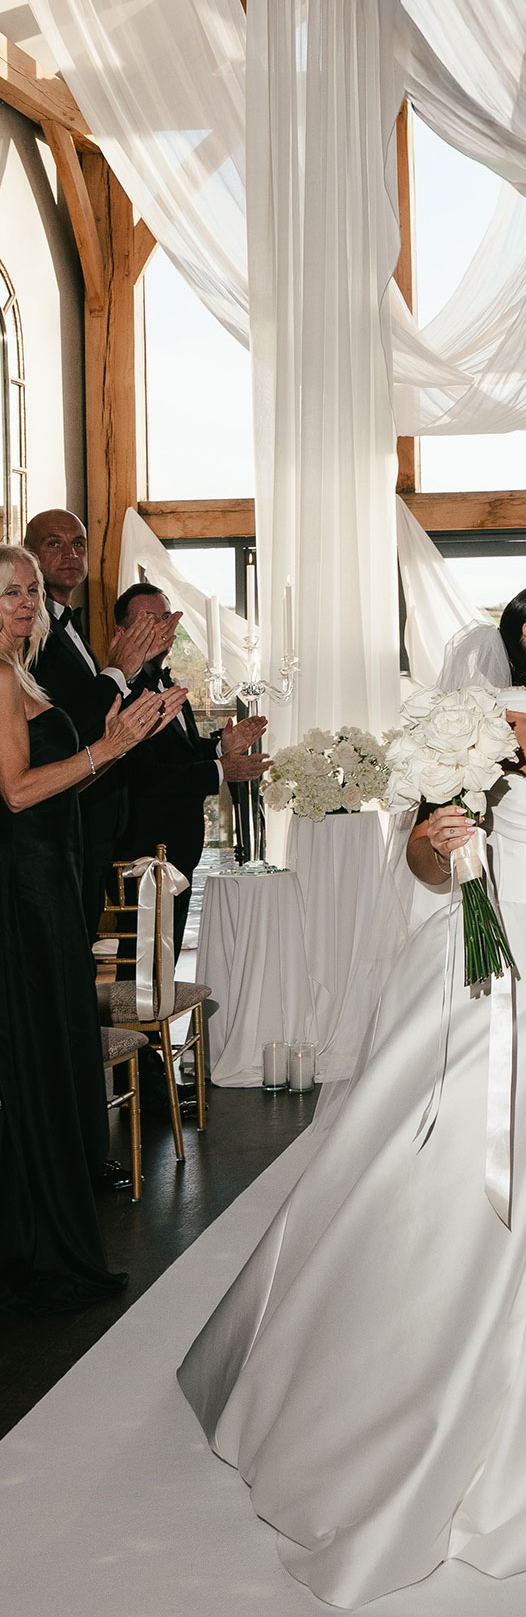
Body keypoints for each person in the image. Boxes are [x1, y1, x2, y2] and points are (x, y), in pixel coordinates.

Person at [177, 578, 526, 1607]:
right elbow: (422, 852)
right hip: (491, 980)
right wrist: (443, 842)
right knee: (444, 1191)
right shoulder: (481, 727)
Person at [0, 545, 181, 1309]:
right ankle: (33, 1248)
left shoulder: (21, 671)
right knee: (32, 1058)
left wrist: (116, 746)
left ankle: (40, 1229)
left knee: (47, 1053)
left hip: (50, 875)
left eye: (29, 590)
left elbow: (55, 787)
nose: (23, 602)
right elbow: (13, 795)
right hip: (23, 888)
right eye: (7, 590)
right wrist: (106, 745)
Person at [24, 510, 170, 940]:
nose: (71, 553)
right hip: (61, 815)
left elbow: (100, 713)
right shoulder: (29, 633)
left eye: (79, 544)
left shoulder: (72, 625)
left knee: (80, 945)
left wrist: (134, 677)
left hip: (99, 818)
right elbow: (62, 723)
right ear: (29, 553)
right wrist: (117, 671)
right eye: (54, 543)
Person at [112, 582, 270, 955]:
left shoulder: (167, 684)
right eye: (149, 620)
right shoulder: (123, 691)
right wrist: (220, 770)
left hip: (178, 847)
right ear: (122, 632)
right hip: (145, 849)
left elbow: (180, 755)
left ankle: (162, 1015)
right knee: (140, 962)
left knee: (166, 958)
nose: (163, 628)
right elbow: (145, 776)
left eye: (166, 618)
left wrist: (220, 746)